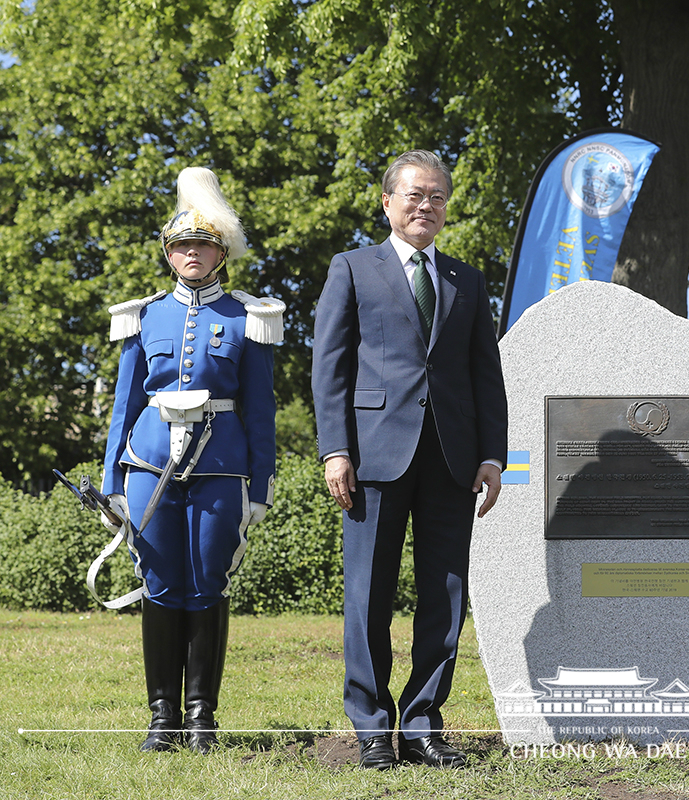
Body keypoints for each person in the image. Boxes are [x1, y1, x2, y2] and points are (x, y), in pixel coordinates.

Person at [312, 149, 508, 770]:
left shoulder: (465, 280)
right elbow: (330, 368)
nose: (427, 206)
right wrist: (335, 448)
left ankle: (423, 723)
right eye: (415, 195)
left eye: (438, 197)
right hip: (372, 457)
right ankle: (371, 726)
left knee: (444, 595)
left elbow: (486, 375)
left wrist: (493, 458)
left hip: (452, 459)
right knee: (368, 593)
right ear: (388, 202)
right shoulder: (352, 268)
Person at [101, 167, 284, 753]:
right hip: (149, 466)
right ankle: (163, 718)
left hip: (221, 467)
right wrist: (111, 484)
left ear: (221, 252)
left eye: (203, 244)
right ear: (168, 254)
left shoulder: (247, 317)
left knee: (207, 585)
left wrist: (260, 487)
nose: (191, 253)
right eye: (181, 245)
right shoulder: (144, 315)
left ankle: (202, 717)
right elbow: (124, 405)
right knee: (158, 586)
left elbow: (261, 411)